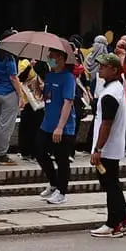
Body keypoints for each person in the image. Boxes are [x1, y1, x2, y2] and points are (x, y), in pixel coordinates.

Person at [88, 52, 126, 237]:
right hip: (112, 146)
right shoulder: (116, 88)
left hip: (107, 148)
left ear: (114, 70)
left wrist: (98, 149)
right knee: (112, 183)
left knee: (110, 185)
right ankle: (124, 219)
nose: (100, 68)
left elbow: (106, 123)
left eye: (104, 66)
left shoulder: (110, 94)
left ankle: (112, 225)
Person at [36, 55, 78, 204]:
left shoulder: (68, 78)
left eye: (52, 55)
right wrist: (38, 88)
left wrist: (60, 127)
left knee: (62, 159)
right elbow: (46, 97)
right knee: (39, 152)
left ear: (61, 58)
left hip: (63, 126)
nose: (50, 59)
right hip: (47, 123)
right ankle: (54, 183)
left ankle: (62, 191)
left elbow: (68, 102)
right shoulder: (49, 75)